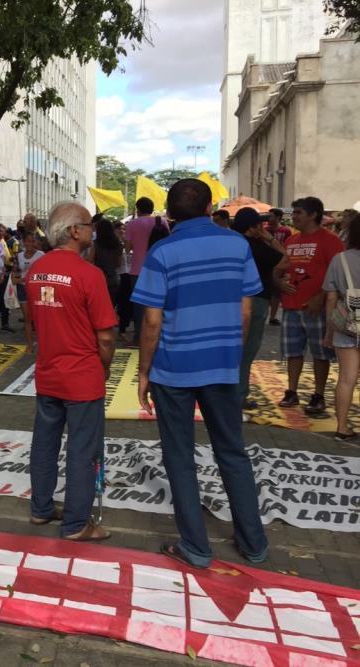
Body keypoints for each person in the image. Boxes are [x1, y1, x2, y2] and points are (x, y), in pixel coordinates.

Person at [133, 178, 268, 568]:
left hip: (173, 369)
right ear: (210, 207)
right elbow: (245, 311)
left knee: (179, 456)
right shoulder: (237, 245)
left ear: (171, 213)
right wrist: (232, 354)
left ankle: (196, 546)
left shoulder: (162, 252)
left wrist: (144, 372)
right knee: (233, 452)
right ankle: (254, 544)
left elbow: (152, 322)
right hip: (223, 366)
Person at [22, 202, 117, 541]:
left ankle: (41, 508)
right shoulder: (90, 275)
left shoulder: (36, 270)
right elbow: (105, 336)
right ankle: (77, 523)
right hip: (81, 377)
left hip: (48, 373)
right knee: (83, 448)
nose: (93, 231)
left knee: (44, 443)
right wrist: (103, 369)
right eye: (89, 225)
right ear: (75, 231)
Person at [273, 196, 343, 414]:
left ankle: (318, 395)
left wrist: (320, 296)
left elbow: (338, 274)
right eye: (293, 213)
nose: (294, 217)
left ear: (313, 215)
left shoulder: (330, 240)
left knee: (321, 353)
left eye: (298, 213)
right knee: (292, 352)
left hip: (317, 309)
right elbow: (281, 268)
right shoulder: (291, 241)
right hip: (291, 306)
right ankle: (291, 391)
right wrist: (279, 282)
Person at [231, 208, 288, 409]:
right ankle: (238, 397)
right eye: (260, 225)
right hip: (255, 300)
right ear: (253, 227)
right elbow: (285, 260)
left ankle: (224, 395)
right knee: (247, 350)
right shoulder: (255, 246)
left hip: (229, 300)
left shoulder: (230, 241)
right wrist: (270, 238)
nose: (263, 228)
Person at [324, 213, 360, 439]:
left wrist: (329, 331)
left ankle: (342, 427)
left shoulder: (340, 259)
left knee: (346, 379)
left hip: (346, 325)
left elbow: (330, 298)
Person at [125, 197, 167, 346]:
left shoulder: (132, 224)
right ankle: (159, 337)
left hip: (137, 270)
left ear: (138, 209)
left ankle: (138, 338)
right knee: (159, 304)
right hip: (159, 269)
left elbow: (127, 248)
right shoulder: (161, 222)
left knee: (138, 306)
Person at [266, 208, 291, 325]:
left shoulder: (286, 231)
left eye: (271, 216)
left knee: (276, 291)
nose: (268, 218)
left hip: (279, 263)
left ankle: (272, 316)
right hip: (267, 262)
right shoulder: (264, 230)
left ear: (278, 217)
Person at [92, 216, 123, 306]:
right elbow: (118, 264)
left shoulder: (95, 244)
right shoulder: (118, 245)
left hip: (98, 280)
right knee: (110, 307)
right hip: (113, 280)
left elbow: (90, 261)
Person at [14, 231, 44, 305]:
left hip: (37, 289)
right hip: (22, 289)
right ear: (23, 242)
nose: (30, 244)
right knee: (27, 316)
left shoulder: (41, 255)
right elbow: (15, 276)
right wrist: (19, 279)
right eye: (28, 241)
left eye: (33, 241)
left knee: (37, 315)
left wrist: (26, 279)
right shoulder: (19, 256)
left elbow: (45, 275)